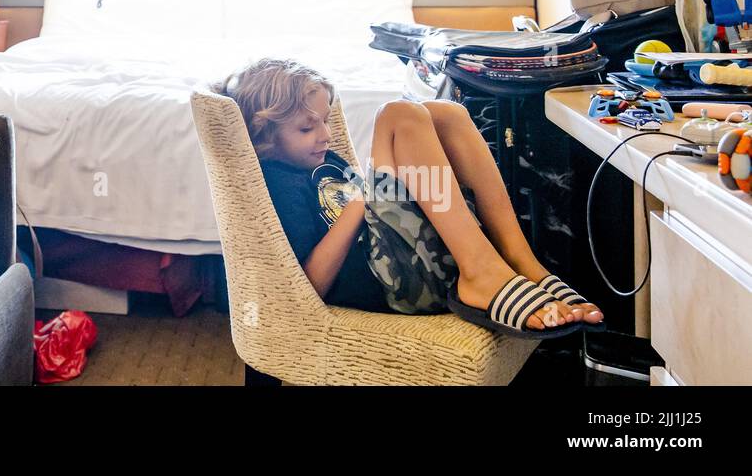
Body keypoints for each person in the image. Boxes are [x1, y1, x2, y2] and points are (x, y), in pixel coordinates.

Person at [213, 57, 604, 338]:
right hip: (393, 282)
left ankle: (518, 260)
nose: (325, 136)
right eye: (305, 128)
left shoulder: (322, 161)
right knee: (397, 115)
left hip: (409, 254)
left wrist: (381, 187)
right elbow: (310, 286)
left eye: (324, 120)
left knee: (444, 113)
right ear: (264, 137)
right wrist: (360, 201)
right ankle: (480, 275)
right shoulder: (279, 183)